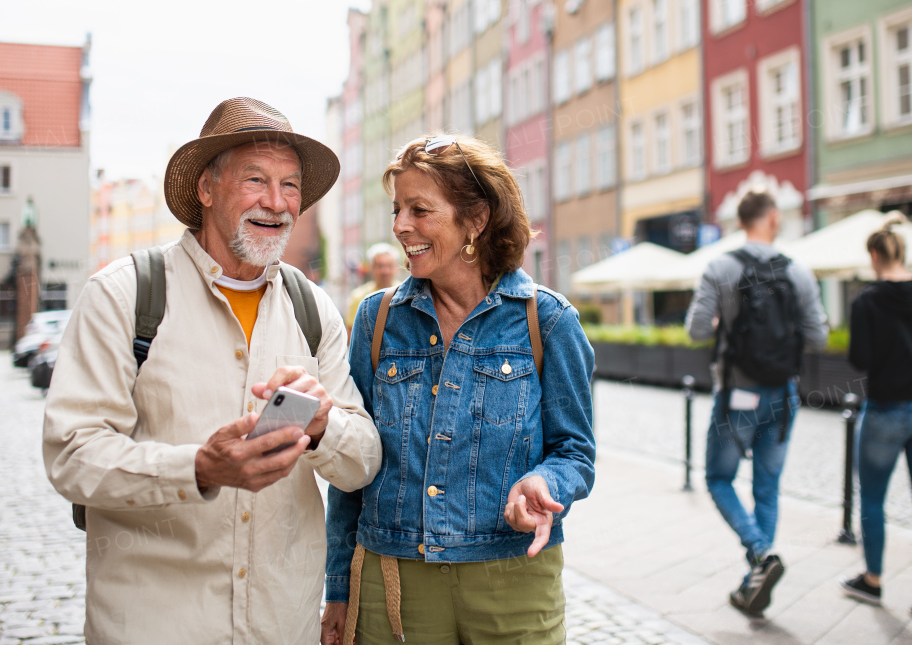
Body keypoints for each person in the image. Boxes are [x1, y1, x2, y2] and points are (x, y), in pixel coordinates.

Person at [43, 98, 382, 645]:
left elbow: (363, 460)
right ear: (205, 188)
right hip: (156, 626)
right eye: (255, 180)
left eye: (291, 185)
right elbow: (71, 456)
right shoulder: (125, 294)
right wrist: (200, 468)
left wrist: (322, 427)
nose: (276, 203)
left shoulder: (312, 309)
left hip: (281, 626)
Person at [321, 134, 596, 645]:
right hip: (393, 577)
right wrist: (338, 587)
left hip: (512, 579)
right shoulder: (377, 320)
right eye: (397, 209)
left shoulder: (548, 321)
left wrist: (545, 485)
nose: (402, 226)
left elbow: (575, 453)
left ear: (476, 219)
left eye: (420, 210)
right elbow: (350, 466)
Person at [686, 190, 828, 617]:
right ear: (770, 219)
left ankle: (760, 555)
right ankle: (758, 576)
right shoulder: (798, 272)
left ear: (740, 221)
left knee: (718, 478)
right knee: (767, 488)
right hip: (783, 394)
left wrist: (719, 321)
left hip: (737, 394)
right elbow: (818, 337)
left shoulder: (720, 266)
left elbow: (695, 330)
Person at [840, 213, 912, 628]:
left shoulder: (867, 301)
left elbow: (861, 359)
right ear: (902, 251)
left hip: (887, 409)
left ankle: (872, 579)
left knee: (872, 499)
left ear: (875, 255)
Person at [345, 242, 402, 328]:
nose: (385, 271)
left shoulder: (405, 293)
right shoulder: (358, 297)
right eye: (380, 266)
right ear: (371, 267)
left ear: (397, 267)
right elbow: (351, 332)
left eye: (389, 266)